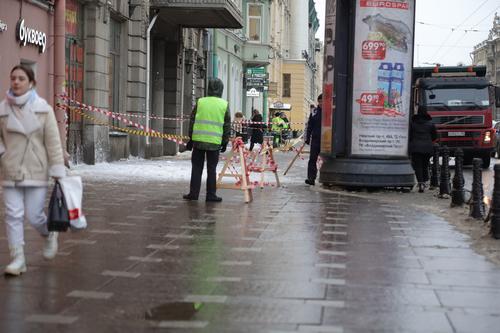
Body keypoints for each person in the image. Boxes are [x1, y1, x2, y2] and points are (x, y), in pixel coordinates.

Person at [0, 65, 66, 276]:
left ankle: (49, 234)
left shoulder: (43, 109)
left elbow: (53, 143)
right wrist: (3, 154)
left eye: (21, 78)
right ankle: (18, 258)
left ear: (31, 83)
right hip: (11, 168)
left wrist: (57, 169)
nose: (16, 82)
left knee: (35, 215)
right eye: (13, 78)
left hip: (37, 170)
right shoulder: (2, 110)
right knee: (13, 214)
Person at [183, 78, 231, 202]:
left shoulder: (200, 102)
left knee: (196, 168)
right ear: (221, 89)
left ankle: (193, 194)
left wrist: (191, 139)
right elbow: (226, 125)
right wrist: (225, 141)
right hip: (214, 142)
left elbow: (192, 121)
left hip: (198, 141)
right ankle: (211, 195)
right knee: (211, 169)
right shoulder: (224, 104)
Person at [409, 106, 437, 193]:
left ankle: (421, 183)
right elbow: (434, 136)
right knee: (425, 165)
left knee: (418, 166)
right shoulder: (431, 124)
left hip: (416, 148)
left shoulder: (413, 123)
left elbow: (410, 135)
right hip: (427, 148)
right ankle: (424, 182)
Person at [304, 94, 322, 186]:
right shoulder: (314, 111)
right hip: (316, 139)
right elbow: (309, 125)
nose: (321, 103)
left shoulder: (330, 110)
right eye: (320, 101)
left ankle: (324, 177)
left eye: (323, 101)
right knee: (312, 159)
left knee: (326, 159)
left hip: (326, 139)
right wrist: (307, 138)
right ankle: (311, 178)